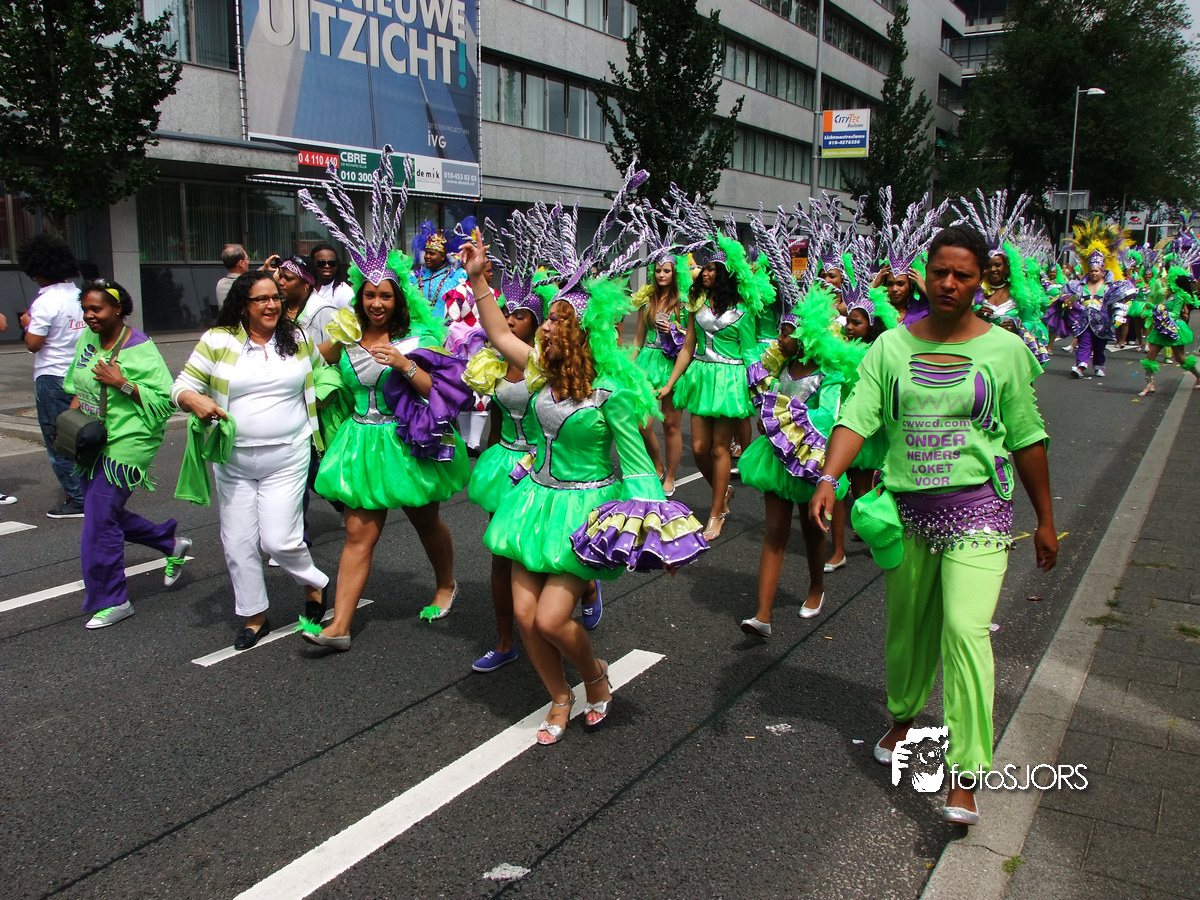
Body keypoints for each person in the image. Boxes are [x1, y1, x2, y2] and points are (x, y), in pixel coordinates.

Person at [810, 224, 1057, 827]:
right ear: (926, 273)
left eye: (963, 275)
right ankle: (902, 719)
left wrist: (1047, 519)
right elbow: (858, 416)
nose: (949, 283)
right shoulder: (890, 347)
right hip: (909, 514)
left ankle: (965, 775)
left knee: (965, 630)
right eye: (940, 272)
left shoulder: (1005, 351)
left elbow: (1027, 437)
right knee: (909, 629)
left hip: (980, 511)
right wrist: (829, 477)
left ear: (981, 280)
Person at [459, 195, 708, 744]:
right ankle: (559, 695)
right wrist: (478, 280)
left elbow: (639, 470)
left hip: (585, 511)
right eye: (547, 319)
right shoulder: (542, 370)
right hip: (533, 502)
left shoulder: (611, 393)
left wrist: (661, 539)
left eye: (557, 321)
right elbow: (499, 334)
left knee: (551, 618)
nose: (546, 328)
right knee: (526, 617)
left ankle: (595, 675)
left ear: (584, 333)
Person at [297, 151, 469, 650]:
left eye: (385, 296)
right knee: (358, 534)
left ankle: (446, 583)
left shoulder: (418, 338)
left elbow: (443, 392)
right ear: (359, 296)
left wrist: (403, 364)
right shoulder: (344, 335)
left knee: (426, 521)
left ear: (399, 300)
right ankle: (340, 626)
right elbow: (304, 366)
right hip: (359, 443)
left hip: (407, 441)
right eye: (369, 294)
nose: (376, 302)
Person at [173, 272, 330, 650]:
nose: (271, 305)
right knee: (239, 542)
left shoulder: (297, 337)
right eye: (261, 299)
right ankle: (254, 615)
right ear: (243, 304)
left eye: (275, 297)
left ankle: (315, 583)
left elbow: (324, 374)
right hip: (233, 460)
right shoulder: (218, 340)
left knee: (279, 541)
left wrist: (322, 398)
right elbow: (181, 385)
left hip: (288, 455)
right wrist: (193, 399)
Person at [64, 279, 190, 628]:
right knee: (103, 514)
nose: (89, 316)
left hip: (129, 442)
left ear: (118, 309)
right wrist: (69, 427)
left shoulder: (139, 347)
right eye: (85, 309)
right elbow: (78, 385)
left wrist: (121, 382)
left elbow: (166, 400)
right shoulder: (89, 338)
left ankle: (113, 600)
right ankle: (170, 543)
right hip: (92, 438)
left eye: (97, 309)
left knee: (98, 523)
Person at [660, 236, 772, 541]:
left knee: (720, 448)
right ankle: (723, 493)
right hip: (701, 378)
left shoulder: (744, 311)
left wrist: (762, 389)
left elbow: (749, 352)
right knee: (699, 449)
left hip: (729, 382)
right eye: (705, 268)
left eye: (712, 269)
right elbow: (688, 347)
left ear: (725, 275)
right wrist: (670, 384)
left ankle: (716, 512)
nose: (705, 273)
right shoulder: (696, 306)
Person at [463, 270, 542, 672]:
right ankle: (505, 642)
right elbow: (495, 421)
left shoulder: (547, 366)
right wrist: (490, 461)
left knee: (541, 549)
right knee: (501, 553)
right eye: (507, 312)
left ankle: (584, 591)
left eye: (520, 315)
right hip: (505, 462)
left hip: (543, 467)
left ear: (538, 324)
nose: (510, 320)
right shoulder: (491, 364)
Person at [17, 234, 86, 518]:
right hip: (82, 374)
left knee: (59, 440)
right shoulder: (81, 295)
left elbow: (34, 343)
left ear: (38, 270)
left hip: (53, 376)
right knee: (83, 435)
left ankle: (78, 499)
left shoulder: (45, 302)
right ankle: (93, 491)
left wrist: (27, 324)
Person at [629, 254, 690, 496]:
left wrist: (674, 329)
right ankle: (658, 465)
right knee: (642, 424)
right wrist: (628, 366)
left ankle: (671, 476)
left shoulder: (684, 303)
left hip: (672, 365)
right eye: (657, 271)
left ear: (674, 273)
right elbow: (638, 339)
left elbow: (691, 341)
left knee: (671, 427)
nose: (661, 275)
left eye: (666, 270)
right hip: (647, 363)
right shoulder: (647, 301)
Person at [410, 221, 467, 320]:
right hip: (421, 327)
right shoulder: (416, 276)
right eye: (426, 253)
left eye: (432, 254)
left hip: (448, 327)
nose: (427, 256)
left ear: (443, 256)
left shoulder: (458, 276)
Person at [310, 242, 355, 310]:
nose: (327, 266)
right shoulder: (306, 289)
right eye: (321, 263)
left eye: (332, 263)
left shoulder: (345, 293)